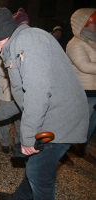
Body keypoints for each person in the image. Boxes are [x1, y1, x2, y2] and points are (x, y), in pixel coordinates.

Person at [0, 8, 89, 200]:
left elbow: (37, 94)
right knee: (36, 166)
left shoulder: (27, 42)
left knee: (38, 174)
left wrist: (27, 137)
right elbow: (25, 98)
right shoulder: (23, 41)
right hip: (52, 112)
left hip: (59, 120)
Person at [66, 8, 96, 165]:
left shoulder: (92, 42)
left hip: (94, 92)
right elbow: (84, 66)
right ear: (84, 24)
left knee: (90, 125)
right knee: (75, 125)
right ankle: (62, 152)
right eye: (94, 23)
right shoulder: (75, 43)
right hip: (83, 92)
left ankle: (81, 149)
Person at [0, 50, 21, 154]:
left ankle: (19, 140)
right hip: (6, 88)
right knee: (5, 118)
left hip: (20, 90)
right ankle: (4, 142)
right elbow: (1, 70)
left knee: (20, 118)